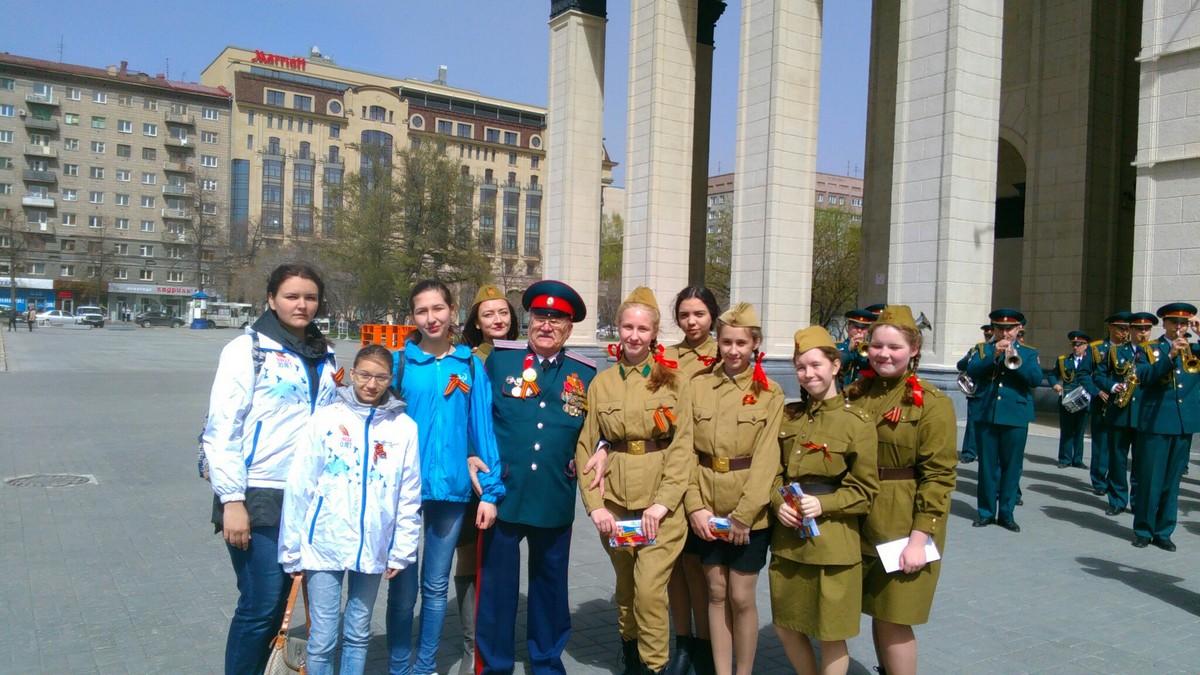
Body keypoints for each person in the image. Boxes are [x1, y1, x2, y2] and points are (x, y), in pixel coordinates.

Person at [201, 263, 339, 675]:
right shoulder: (247, 349)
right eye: (291, 296)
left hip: (306, 494)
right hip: (257, 491)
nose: (302, 305)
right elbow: (222, 428)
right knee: (260, 603)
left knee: (281, 602)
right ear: (271, 299)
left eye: (310, 297)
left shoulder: (324, 352)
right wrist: (232, 500)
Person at [475, 280, 599, 675]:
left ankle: (546, 660)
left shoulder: (586, 372)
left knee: (549, 586)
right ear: (529, 320)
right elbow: (478, 418)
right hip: (505, 493)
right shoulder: (500, 361)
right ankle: (495, 664)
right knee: (497, 588)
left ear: (569, 328)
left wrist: (604, 448)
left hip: (553, 493)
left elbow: (598, 428)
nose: (546, 325)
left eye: (556, 319)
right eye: (540, 317)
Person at [279, 344, 422, 675]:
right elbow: (301, 484)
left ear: (391, 379)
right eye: (364, 375)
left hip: (373, 543)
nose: (371, 384)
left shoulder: (404, 427)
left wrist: (402, 550)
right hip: (324, 543)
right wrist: (291, 548)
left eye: (381, 377)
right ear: (352, 373)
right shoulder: (326, 419)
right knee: (322, 638)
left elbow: (409, 493)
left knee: (358, 633)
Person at [386, 280, 505, 675]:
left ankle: (425, 665)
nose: (431, 318)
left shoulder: (469, 365)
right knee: (403, 590)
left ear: (453, 311)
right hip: (404, 490)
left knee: (435, 586)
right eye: (422, 311)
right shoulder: (399, 364)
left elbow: (483, 431)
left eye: (438, 308)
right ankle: (399, 667)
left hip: (452, 489)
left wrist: (490, 492)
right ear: (412, 316)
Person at [576, 286, 695, 675]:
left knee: (648, 591)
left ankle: (653, 665)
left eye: (643, 328)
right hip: (616, 505)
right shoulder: (602, 383)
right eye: (627, 327)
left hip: (661, 508)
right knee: (626, 588)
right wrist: (595, 508)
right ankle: (630, 654)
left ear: (654, 332)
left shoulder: (674, 382)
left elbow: (683, 446)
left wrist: (663, 504)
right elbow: (586, 445)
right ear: (618, 328)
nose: (634, 335)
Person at [844, 305, 956, 675]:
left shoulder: (932, 403)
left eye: (895, 347)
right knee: (877, 609)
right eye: (877, 346)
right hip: (858, 515)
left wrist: (919, 539)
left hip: (903, 521)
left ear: (914, 350)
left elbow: (939, 477)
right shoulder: (855, 394)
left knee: (895, 616)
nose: (884, 354)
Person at [769, 326, 878, 675]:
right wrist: (777, 503)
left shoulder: (856, 422)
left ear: (835, 365)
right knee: (786, 626)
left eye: (816, 365)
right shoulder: (789, 417)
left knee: (831, 633)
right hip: (789, 543)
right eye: (801, 367)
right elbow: (773, 473)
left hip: (833, 546)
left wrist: (824, 505)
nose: (808, 374)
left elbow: (865, 490)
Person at [683, 302, 782, 675]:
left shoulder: (769, 393)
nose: (734, 350)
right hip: (707, 506)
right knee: (716, 592)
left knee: (741, 596)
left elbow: (768, 458)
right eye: (727, 342)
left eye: (742, 342)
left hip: (748, 512)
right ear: (718, 342)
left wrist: (745, 515)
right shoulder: (698, 386)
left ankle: (744, 671)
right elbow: (685, 450)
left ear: (755, 344)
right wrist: (695, 506)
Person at [454, 284, 518, 675]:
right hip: (476, 472)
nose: (497, 320)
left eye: (503, 312)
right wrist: (466, 453)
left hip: (512, 471)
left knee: (498, 557)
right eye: (488, 314)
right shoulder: (467, 360)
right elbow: (457, 416)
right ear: (476, 322)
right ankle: (470, 645)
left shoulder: (524, 357)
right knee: (469, 551)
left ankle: (494, 639)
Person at [661, 285, 721, 675]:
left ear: (712, 315)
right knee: (674, 565)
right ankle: (682, 642)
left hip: (705, 472)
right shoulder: (666, 358)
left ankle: (707, 643)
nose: (691, 321)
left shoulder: (726, 353)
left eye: (699, 314)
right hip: (669, 467)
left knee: (701, 567)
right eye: (684, 315)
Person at [1130, 303, 1200, 551]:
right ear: (1165, 324)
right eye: (1174, 323)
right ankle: (1143, 530)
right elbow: (1144, 378)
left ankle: (1164, 531)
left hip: (1183, 424)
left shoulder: (1195, 350)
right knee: (1151, 480)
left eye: (1184, 323)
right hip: (1156, 422)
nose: (1179, 327)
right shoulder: (1149, 349)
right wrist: (1170, 356)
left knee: (1172, 482)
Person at [965, 308, 1041, 532]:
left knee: (1011, 467)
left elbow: (1035, 379)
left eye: (1009, 329)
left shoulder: (1028, 353)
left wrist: (1015, 360)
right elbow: (972, 370)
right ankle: (986, 512)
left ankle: (1007, 514)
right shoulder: (983, 350)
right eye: (1000, 328)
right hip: (987, 414)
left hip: (1015, 416)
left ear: (1018, 329)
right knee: (987, 467)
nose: (1005, 333)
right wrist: (994, 356)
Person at [1101, 312, 1155, 515]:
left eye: (1147, 329)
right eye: (1139, 329)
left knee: (1141, 463)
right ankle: (1117, 500)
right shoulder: (1115, 351)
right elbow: (1098, 375)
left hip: (1145, 415)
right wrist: (1111, 386)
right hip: (1119, 413)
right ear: (1130, 330)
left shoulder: (1156, 352)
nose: (1143, 333)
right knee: (1117, 460)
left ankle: (1138, 502)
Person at [1088, 313, 1130, 497]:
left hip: (1124, 402)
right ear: (1110, 327)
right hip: (1102, 401)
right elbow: (1085, 374)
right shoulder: (1096, 348)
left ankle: (1115, 482)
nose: (1125, 332)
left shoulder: (1132, 349)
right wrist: (1098, 391)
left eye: (1128, 328)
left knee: (1118, 447)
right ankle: (1099, 480)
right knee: (1101, 443)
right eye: (1121, 328)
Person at [1049, 331, 1095, 470]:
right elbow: (1052, 375)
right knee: (1067, 430)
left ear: (1086, 346)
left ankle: (1077, 459)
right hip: (1067, 399)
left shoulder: (1091, 362)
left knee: (1080, 431)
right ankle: (1065, 458)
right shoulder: (1063, 360)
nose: (1075, 347)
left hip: (1084, 400)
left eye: (1079, 345)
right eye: (1074, 344)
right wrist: (1055, 385)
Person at [956, 324, 993, 464]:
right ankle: (969, 452)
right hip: (978, 392)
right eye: (986, 335)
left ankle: (988, 452)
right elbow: (961, 365)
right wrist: (970, 361)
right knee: (973, 423)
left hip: (994, 392)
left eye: (990, 335)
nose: (988, 338)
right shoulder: (977, 349)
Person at [836, 309, 875, 390]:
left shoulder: (871, 350)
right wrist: (848, 349)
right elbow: (834, 367)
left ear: (868, 331)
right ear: (848, 327)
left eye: (863, 328)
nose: (859, 331)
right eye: (856, 327)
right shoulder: (837, 347)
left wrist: (870, 356)